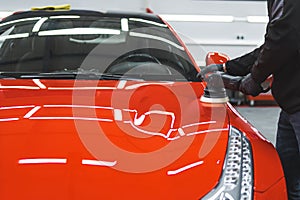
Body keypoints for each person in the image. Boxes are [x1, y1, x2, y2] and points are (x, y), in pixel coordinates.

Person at [199, 0, 300, 199]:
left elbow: (284, 40)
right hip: (290, 105)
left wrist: (253, 79)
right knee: (288, 179)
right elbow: (273, 44)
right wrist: (228, 68)